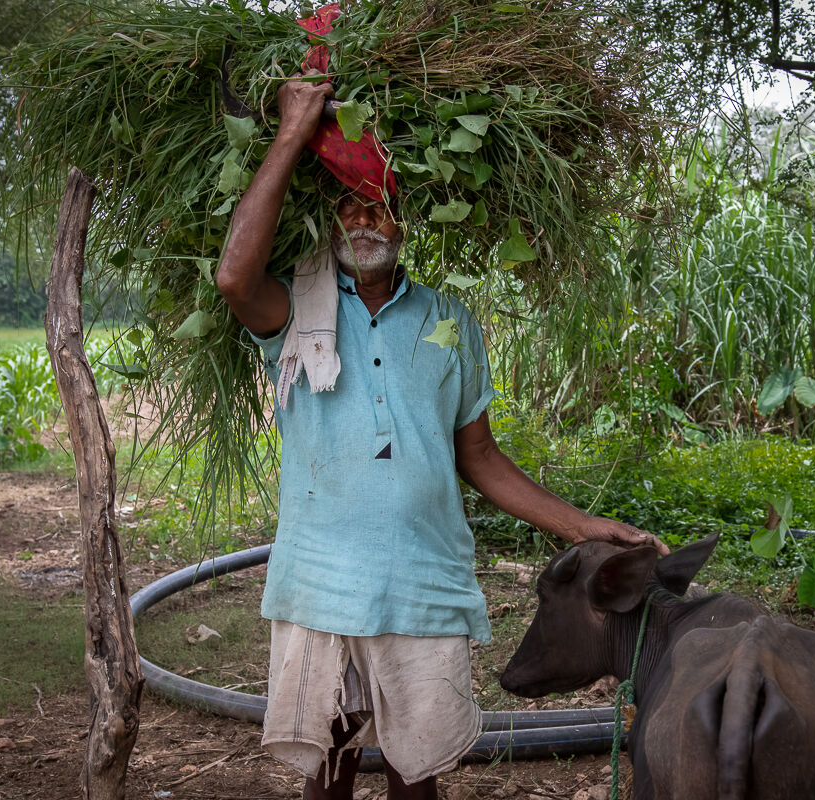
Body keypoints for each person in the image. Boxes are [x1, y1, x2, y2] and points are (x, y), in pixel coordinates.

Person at [216, 73, 668, 800]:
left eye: (384, 209)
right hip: (320, 584)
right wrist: (292, 131)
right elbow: (234, 277)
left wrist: (585, 526)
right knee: (327, 774)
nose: (366, 220)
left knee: (418, 773)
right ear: (328, 218)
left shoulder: (447, 319)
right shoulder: (294, 306)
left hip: (423, 581)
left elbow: (479, 456)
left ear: (407, 224)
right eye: (350, 204)